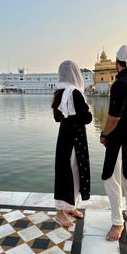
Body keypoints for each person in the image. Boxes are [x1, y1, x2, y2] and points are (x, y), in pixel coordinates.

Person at [100, 45, 127, 241]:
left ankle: (118, 222)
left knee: (111, 179)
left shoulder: (120, 84)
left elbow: (113, 117)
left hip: (119, 138)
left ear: (117, 62)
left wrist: (104, 134)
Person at [52, 60, 92, 227]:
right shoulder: (74, 92)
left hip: (66, 138)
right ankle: (60, 213)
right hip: (73, 140)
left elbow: (57, 117)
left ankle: (70, 206)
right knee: (68, 172)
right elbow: (87, 118)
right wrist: (87, 109)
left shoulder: (60, 92)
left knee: (72, 172)